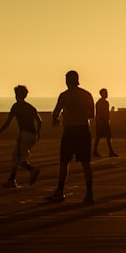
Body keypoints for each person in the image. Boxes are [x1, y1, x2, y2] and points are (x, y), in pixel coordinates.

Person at [48, 70, 95, 204]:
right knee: (86, 163)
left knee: (64, 162)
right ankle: (90, 193)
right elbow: (92, 114)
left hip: (70, 131)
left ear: (69, 81)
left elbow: (56, 112)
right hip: (83, 130)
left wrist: (57, 119)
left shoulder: (64, 95)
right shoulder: (87, 95)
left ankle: (60, 191)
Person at [0, 84, 43, 188]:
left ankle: (32, 170)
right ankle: (12, 179)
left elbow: (8, 122)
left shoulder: (16, 106)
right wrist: (38, 134)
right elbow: (39, 121)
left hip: (24, 134)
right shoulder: (30, 107)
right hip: (32, 135)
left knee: (19, 157)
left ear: (16, 95)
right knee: (17, 156)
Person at [93, 87, 117, 157]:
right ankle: (95, 151)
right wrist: (100, 122)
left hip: (105, 121)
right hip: (101, 121)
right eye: (105, 93)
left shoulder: (106, 102)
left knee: (106, 136)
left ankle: (109, 151)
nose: (107, 94)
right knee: (100, 137)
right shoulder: (99, 103)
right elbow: (98, 113)